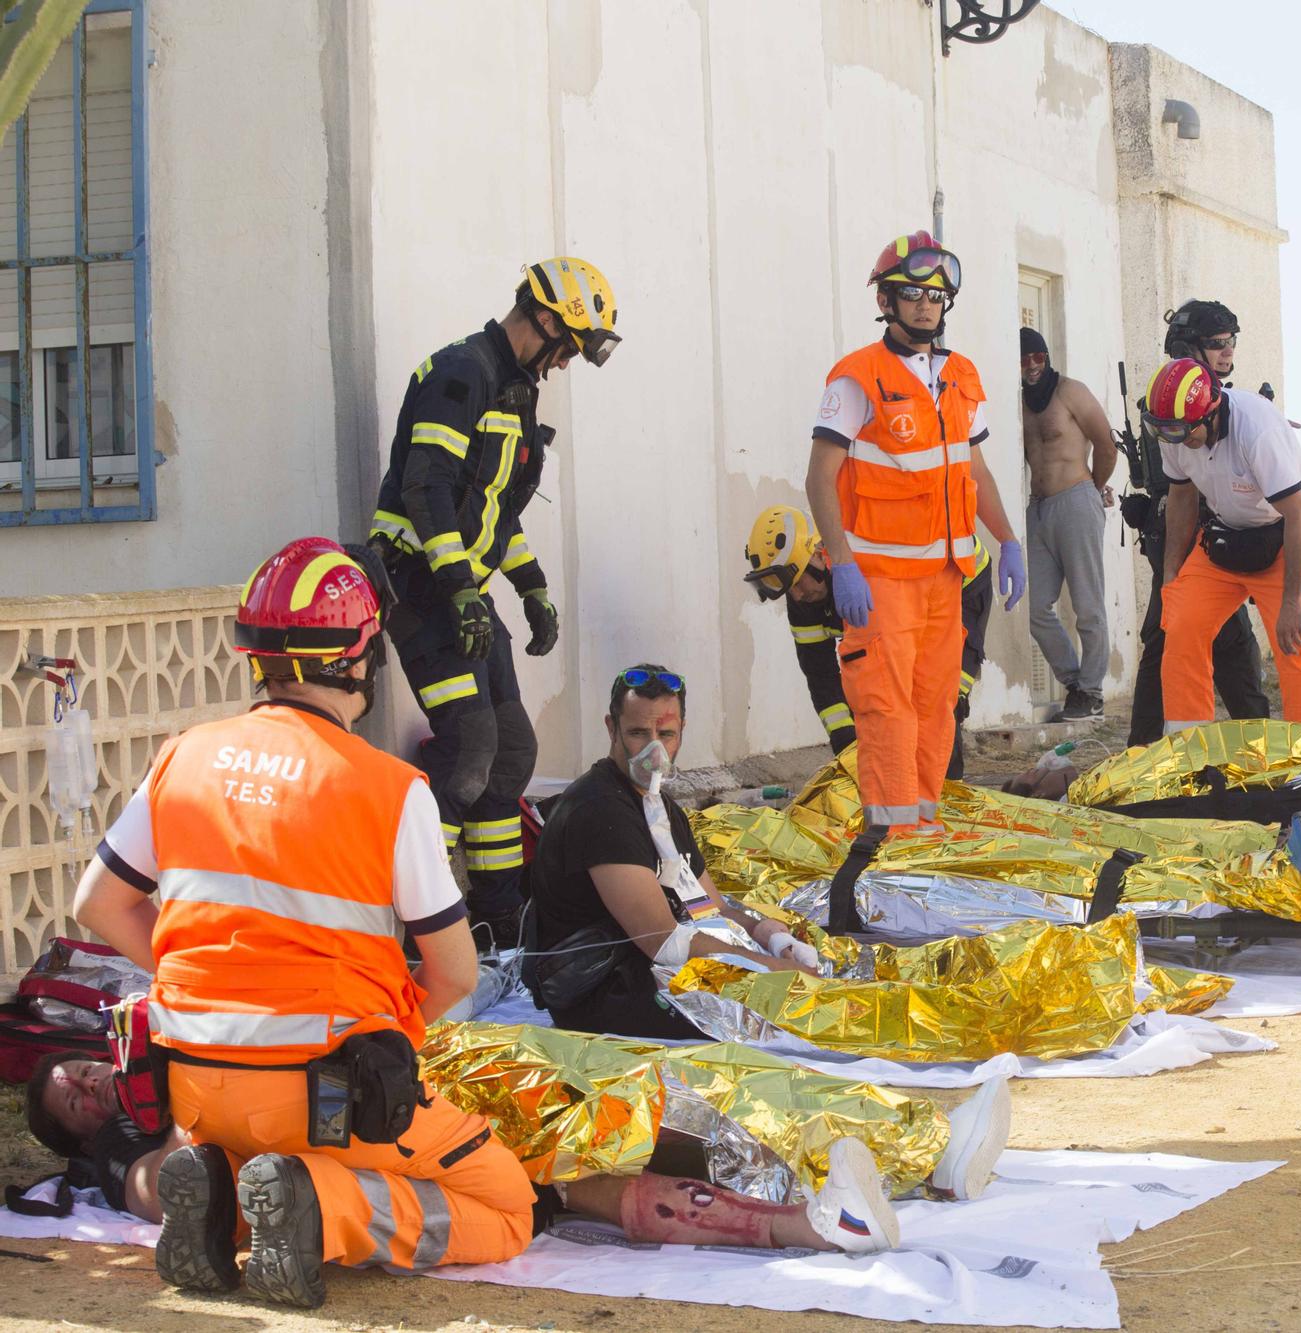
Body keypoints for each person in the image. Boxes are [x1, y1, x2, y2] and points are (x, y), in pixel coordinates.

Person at [71, 537, 539, 1308]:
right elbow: (454, 971)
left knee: (254, 1154)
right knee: (507, 1205)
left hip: (194, 1093)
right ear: (361, 656)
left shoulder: (183, 756)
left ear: (257, 655)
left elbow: (98, 902)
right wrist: (389, 1039)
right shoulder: (391, 789)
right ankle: (322, 1209)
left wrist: (201, 983)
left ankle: (223, 1198)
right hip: (327, 1095)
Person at [18, 1046, 911, 1255]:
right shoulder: (120, 1149)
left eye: (83, 1070)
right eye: (75, 1097)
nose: (91, 1083)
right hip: (382, 1151)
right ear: (79, 1131)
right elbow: (156, 1186)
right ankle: (805, 1223)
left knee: (587, 1156)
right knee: (573, 1181)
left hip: (395, 1100)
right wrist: (175, 1133)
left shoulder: (161, 1046)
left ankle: (810, 1215)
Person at [367, 258, 620, 949]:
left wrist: (530, 585)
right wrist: (457, 588)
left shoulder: (515, 388)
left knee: (512, 751)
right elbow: (428, 491)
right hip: (419, 584)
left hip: (463, 591)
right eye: (567, 345)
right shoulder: (463, 373)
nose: (565, 363)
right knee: (468, 746)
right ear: (542, 320)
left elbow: (493, 512)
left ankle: (499, 920)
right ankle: (424, 917)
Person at [805, 230, 1025, 832]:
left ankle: (922, 831)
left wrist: (1007, 539)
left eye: (934, 295)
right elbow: (820, 479)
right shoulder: (856, 377)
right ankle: (890, 838)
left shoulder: (962, 377)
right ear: (887, 301)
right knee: (887, 710)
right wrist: (842, 561)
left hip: (945, 579)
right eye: (911, 294)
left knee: (936, 710)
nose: (925, 305)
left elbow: (974, 468)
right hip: (878, 582)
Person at [525, 665, 823, 1040]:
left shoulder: (659, 808)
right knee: (791, 1021)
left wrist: (772, 936)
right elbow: (662, 940)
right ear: (611, 728)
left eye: (665, 734)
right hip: (600, 991)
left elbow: (711, 908)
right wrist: (769, 968)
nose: (653, 750)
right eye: (637, 733)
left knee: (810, 992)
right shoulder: (599, 811)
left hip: (648, 969)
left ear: (682, 731)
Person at [1145, 357, 1301, 729]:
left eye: (1181, 432)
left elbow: (1299, 516)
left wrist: (1293, 602)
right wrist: (1171, 573)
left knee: (1296, 644)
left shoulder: (1258, 430)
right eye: (1163, 431)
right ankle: (1186, 750)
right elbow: (1181, 499)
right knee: (1181, 624)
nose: (1173, 440)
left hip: (1286, 534)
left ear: (1210, 412)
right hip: (1225, 533)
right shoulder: (1177, 429)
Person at [743, 505, 993, 779]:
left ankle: (944, 794)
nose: (798, 596)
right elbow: (820, 675)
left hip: (963, 584)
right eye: (789, 590)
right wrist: (847, 744)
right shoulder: (803, 598)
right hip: (910, 605)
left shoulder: (870, 563)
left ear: (817, 556)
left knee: (941, 701)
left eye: (798, 583)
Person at [1125, 300, 1272, 746]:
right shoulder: (1170, 400)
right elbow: (1181, 488)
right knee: (1187, 642)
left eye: (1230, 342)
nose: (1227, 352)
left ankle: (1258, 742)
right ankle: (1148, 752)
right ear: (1191, 347)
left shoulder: (1220, 400)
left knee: (1214, 644)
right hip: (1187, 538)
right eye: (1216, 344)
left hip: (1214, 536)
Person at [1020, 326, 1118, 720]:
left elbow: (1106, 444)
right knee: (1034, 608)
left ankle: (1091, 692)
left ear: (1047, 357)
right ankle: (1075, 682)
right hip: (1038, 508)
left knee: (1087, 605)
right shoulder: (1020, 403)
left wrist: (1094, 489)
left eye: (1037, 358)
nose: (1031, 366)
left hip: (1076, 499)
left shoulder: (1071, 392)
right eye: (1024, 359)